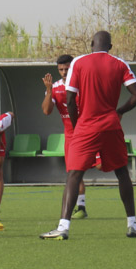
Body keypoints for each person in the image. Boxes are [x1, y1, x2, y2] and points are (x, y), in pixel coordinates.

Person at [40, 31, 136, 240]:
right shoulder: (120, 64)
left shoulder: (78, 62)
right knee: (122, 173)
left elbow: (70, 99)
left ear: (91, 44)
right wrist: (119, 111)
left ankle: (63, 227)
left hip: (86, 127)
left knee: (74, 175)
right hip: (111, 126)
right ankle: (132, 224)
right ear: (110, 47)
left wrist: (78, 126)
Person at [41, 54, 89, 217]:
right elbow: (47, 111)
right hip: (71, 136)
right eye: (60, 69)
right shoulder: (55, 88)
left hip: (90, 132)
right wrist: (48, 92)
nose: (63, 72)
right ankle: (81, 207)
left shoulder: (84, 84)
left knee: (101, 166)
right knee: (74, 171)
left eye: (67, 68)